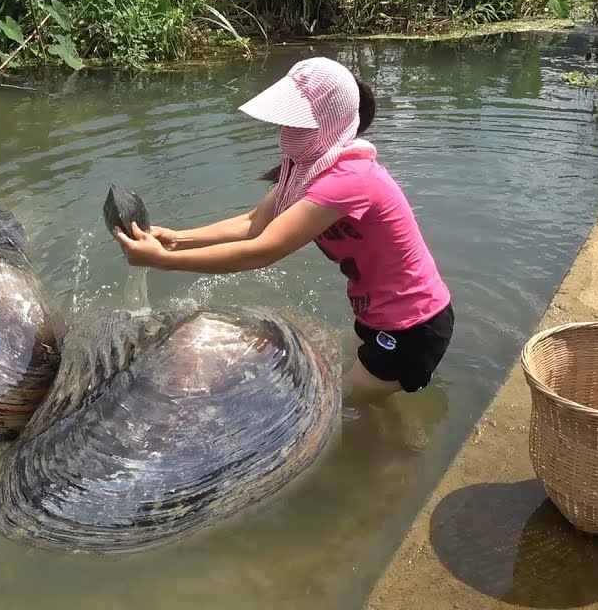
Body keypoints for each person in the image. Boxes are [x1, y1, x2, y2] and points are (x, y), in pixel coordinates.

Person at [112, 56, 453, 399]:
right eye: (286, 123)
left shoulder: (349, 178)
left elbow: (262, 250)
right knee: (345, 383)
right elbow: (251, 224)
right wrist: (175, 239)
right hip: (376, 315)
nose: (285, 133)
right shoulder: (304, 169)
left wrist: (161, 261)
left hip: (415, 325)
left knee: (350, 408)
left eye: (298, 124)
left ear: (328, 122)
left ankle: (411, 445)